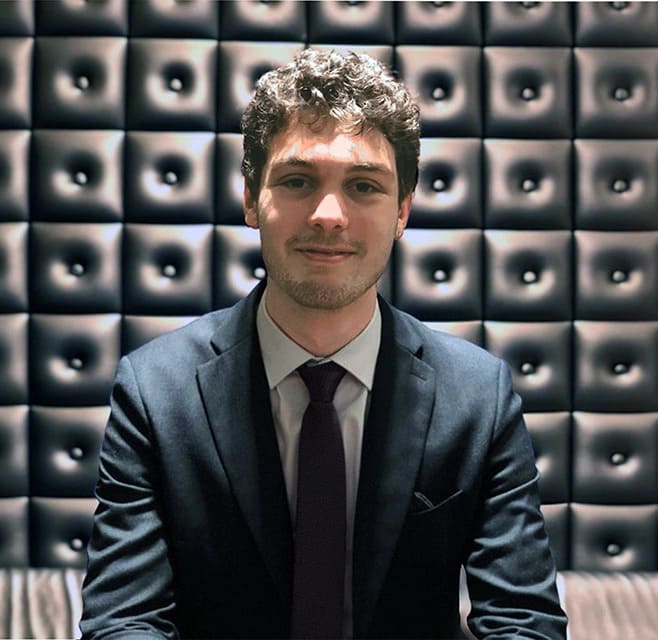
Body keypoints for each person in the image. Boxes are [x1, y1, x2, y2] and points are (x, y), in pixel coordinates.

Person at [80, 49, 567, 639]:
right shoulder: (154, 392)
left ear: (403, 211)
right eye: (297, 180)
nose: (329, 214)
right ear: (250, 200)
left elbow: (524, 621)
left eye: (364, 185)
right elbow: (124, 622)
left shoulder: (478, 397)